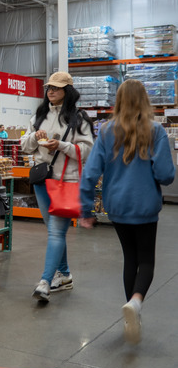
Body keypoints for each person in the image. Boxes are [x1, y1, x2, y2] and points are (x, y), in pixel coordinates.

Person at [78, 79, 175, 344]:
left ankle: (131, 314)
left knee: (129, 258)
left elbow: (90, 174)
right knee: (146, 260)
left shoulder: (106, 132)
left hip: (117, 206)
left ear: (118, 101)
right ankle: (135, 302)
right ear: (145, 100)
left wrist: (86, 209)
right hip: (145, 206)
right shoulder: (156, 131)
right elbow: (166, 175)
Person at [20, 71, 94, 302]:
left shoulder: (79, 118)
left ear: (67, 91)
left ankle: (45, 281)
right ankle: (64, 275)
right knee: (54, 231)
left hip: (66, 181)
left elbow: (87, 151)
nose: (50, 91)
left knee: (55, 231)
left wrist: (61, 145)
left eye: (56, 88)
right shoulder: (38, 116)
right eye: (49, 88)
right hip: (42, 180)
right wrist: (35, 137)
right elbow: (24, 146)